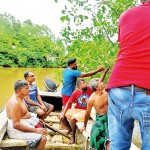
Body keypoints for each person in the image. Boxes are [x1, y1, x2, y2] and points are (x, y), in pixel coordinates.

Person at [106, 0, 150, 149]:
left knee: (117, 146)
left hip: (118, 87)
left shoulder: (125, 15)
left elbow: (126, 45)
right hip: (147, 89)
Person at [6, 80, 47, 150]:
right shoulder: (15, 103)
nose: (29, 90)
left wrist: (35, 119)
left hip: (22, 122)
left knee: (42, 128)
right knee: (43, 138)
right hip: (15, 130)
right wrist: (35, 130)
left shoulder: (21, 98)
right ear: (19, 90)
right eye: (27, 88)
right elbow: (16, 125)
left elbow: (23, 114)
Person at [81, 67, 110, 150]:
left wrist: (104, 72)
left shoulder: (106, 91)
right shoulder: (92, 99)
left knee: (111, 137)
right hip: (100, 119)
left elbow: (100, 80)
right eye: (100, 83)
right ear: (97, 87)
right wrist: (84, 126)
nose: (103, 83)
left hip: (110, 117)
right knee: (95, 137)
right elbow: (87, 114)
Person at [60, 79, 93, 144]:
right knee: (60, 115)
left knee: (73, 119)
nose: (85, 84)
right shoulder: (75, 93)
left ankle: (73, 136)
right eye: (83, 83)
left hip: (85, 111)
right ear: (79, 86)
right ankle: (70, 128)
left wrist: (104, 73)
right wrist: (63, 113)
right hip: (77, 110)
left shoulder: (90, 89)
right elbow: (69, 103)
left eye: (85, 83)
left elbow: (98, 83)